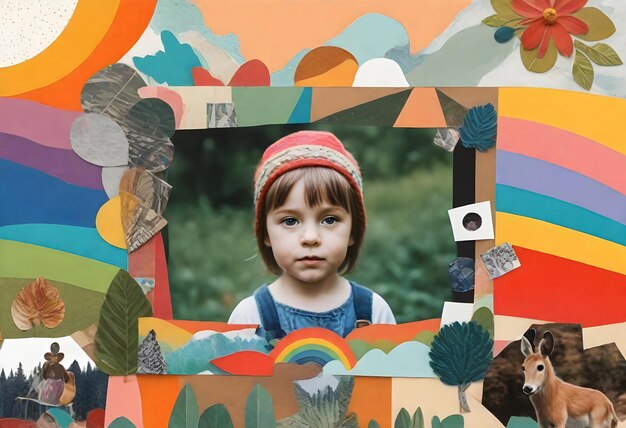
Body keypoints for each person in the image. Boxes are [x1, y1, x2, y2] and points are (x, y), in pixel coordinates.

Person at [228, 130, 395, 339]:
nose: (310, 237)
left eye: (329, 220)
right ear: (266, 234)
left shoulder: (374, 313)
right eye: (290, 221)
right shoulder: (249, 317)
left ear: (353, 230)